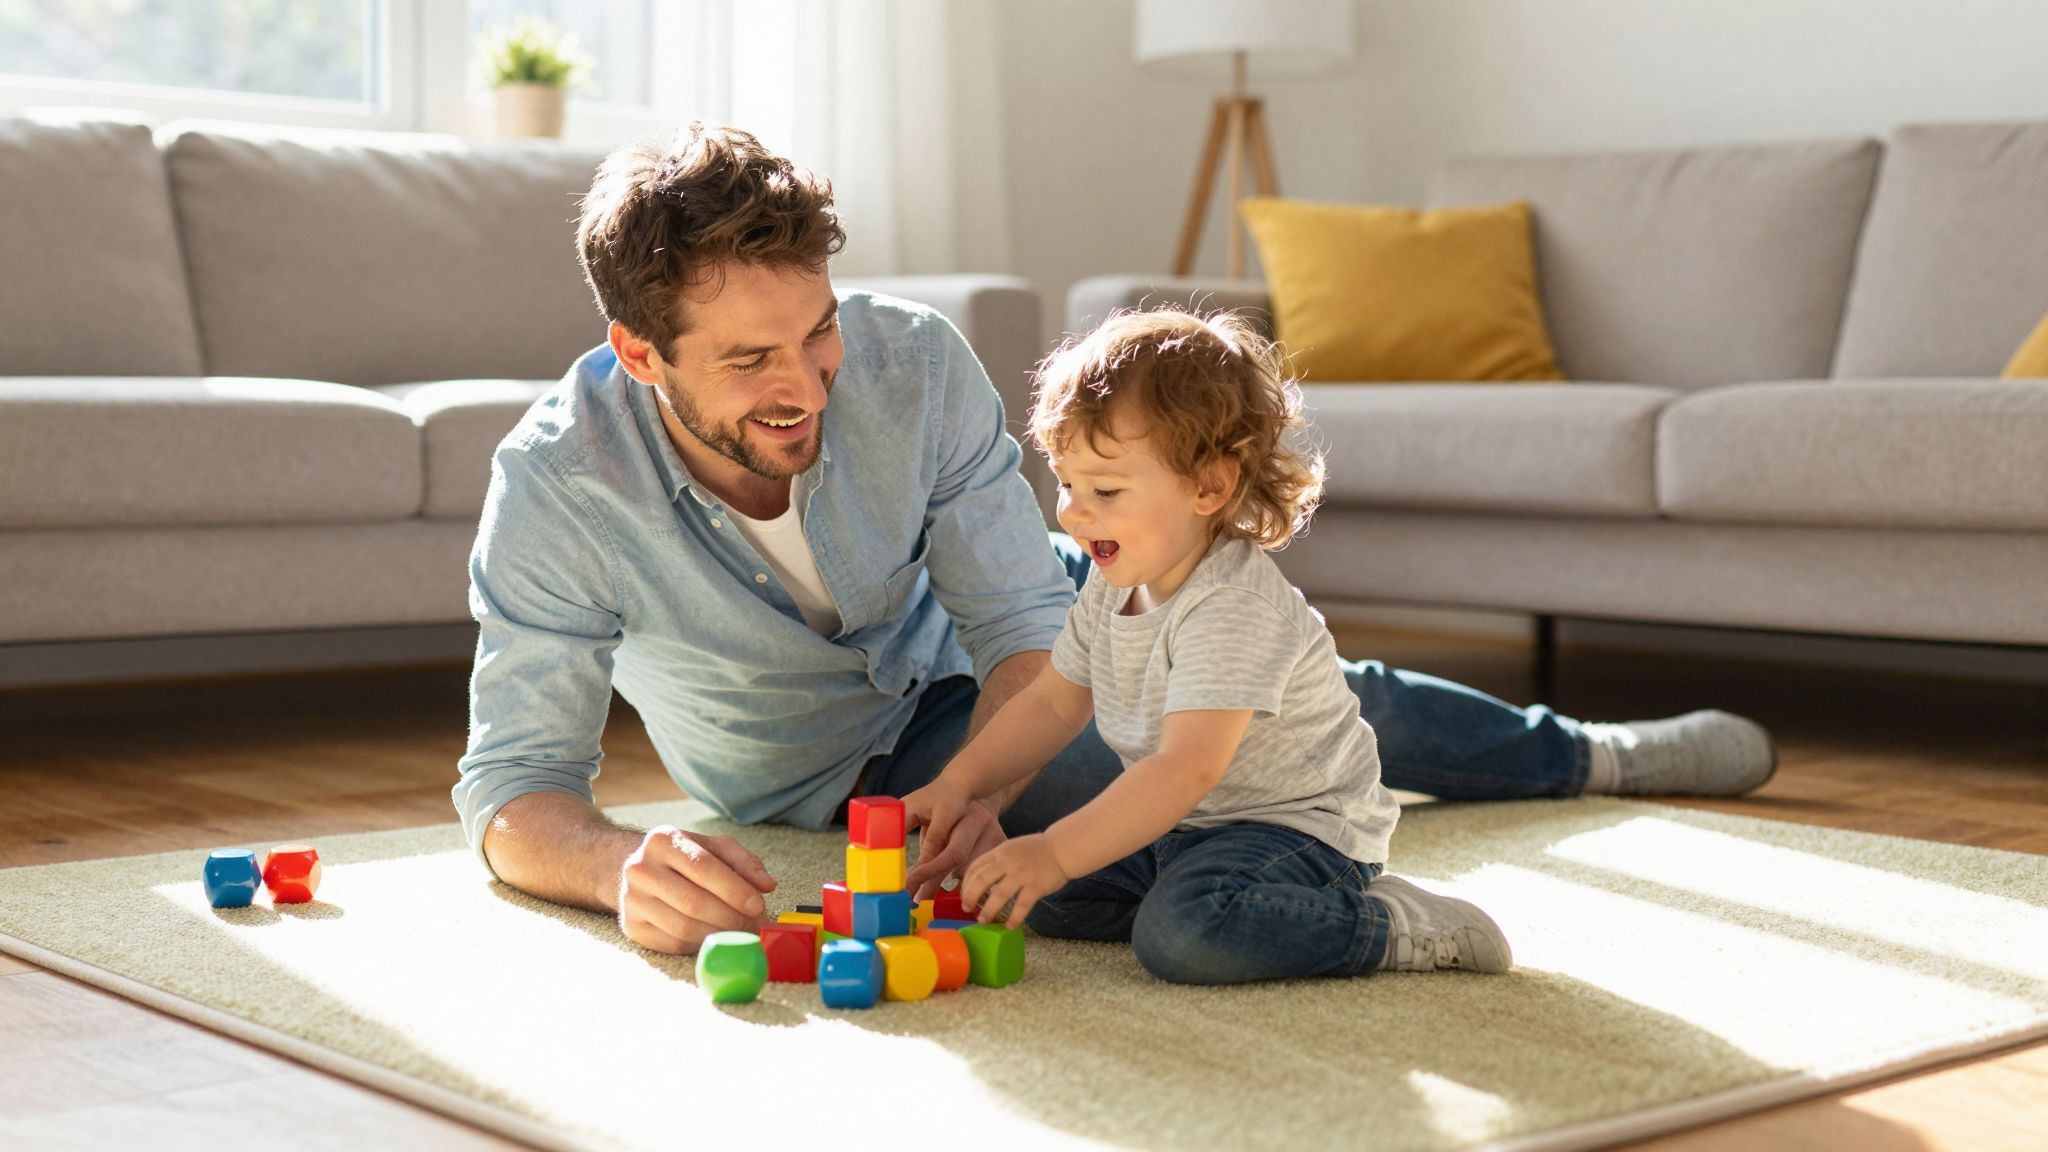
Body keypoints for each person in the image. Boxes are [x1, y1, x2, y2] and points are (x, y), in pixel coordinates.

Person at [452, 123, 1776, 958]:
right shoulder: (561, 486)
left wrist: (978, 784)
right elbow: (515, 793)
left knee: (1261, 696)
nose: (807, 380)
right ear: (638, 355)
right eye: (750, 359)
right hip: (822, 779)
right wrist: (624, 868)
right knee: (1136, 836)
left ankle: (1581, 755)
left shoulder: (908, 364)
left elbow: (1029, 633)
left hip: (1022, 674)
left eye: (817, 329)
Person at [902, 308, 1513, 984]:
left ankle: (1388, 923)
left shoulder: (1232, 608)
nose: (1073, 513)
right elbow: (1051, 705)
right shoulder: (1115, 584)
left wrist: (1054, 850)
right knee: (1052, 899)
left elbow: (1182, 772)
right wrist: (959, 784)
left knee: (1184, 936)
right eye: (1068, 484)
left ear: (1209, 486)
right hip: (1194, 825)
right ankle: (1218, 894)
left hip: (1299, 829)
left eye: (1105, 489)